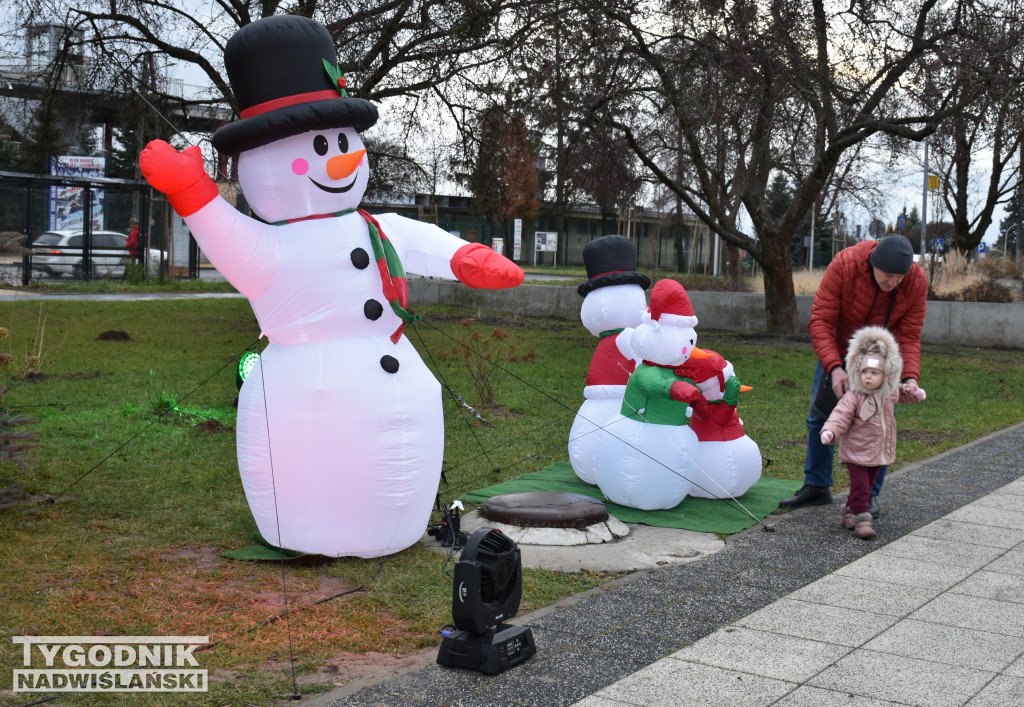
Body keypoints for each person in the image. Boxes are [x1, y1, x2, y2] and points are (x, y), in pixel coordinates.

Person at [780, 234, 927, 515]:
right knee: (820, 416)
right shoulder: (846, 265)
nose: (894, 283)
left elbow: (909, 335)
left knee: (879, 423)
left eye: (900, 277)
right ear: (872, 264)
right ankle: (817, 486)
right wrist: (834, 367)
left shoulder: (916, 280)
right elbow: (822, 320)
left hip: (883, 360)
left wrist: (909, 377)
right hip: (839, 350)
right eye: (888, 276)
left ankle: (869, 494)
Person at [820, 326, 926, 539]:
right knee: (861, 486)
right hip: (857, 452)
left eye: (874, 373)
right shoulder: (854, 396)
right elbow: (839, 415)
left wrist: (913, 391)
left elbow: (904, 394)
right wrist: (830, 431)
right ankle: (862, 521)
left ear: (886, 375)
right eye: (865, 372)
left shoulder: (889, 393)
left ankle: (850, 511)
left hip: (878, 452)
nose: (868, 377)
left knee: (866, 487)